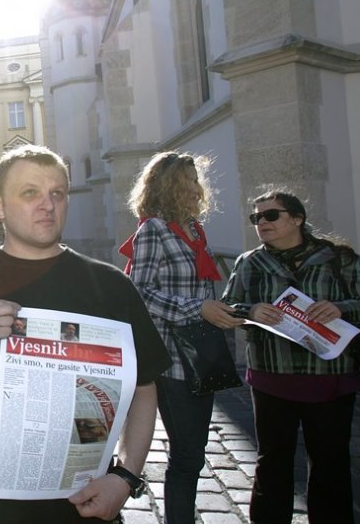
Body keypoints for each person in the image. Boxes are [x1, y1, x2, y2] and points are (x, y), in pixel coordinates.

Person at [0, 144, 170, 524]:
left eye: (57, 193)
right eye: (30, 193)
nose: (47, 204)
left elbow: (144, 387)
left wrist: (126, 477)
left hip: (86, 506)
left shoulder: (111, 285)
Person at [223, 190, 360, 524]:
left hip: (329, 376)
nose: (262, 223)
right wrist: (252, 310)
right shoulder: (249, 261)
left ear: (297, 219)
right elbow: (230, 306)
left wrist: (340, 309)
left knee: (330, 463)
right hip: (272, 375)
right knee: (272, 462)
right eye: (256, 217)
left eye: (270, 215)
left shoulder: (340, 258)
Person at [119, 151, 243, 524]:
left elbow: (196, 288)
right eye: (187, 181)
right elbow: (137, 293)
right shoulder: (153, 229)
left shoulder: (194, 229)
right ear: (166, 185)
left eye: (196, 181)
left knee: (194, 453)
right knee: (187, 456)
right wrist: (197, 308)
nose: (195, 188)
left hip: (200, 354)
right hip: (171, 359)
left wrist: (223, 309)